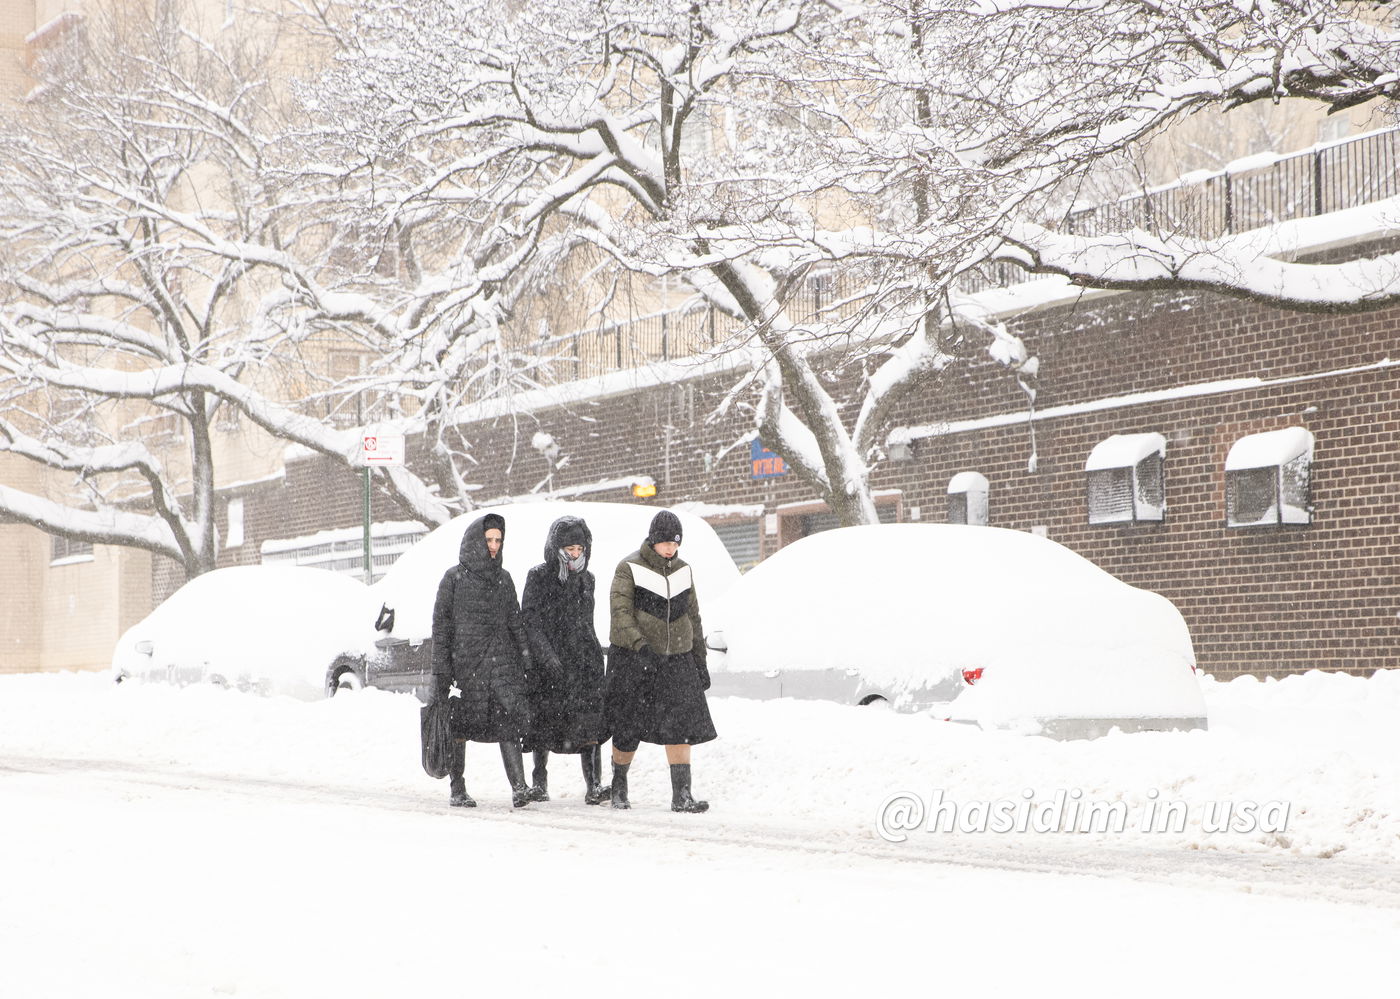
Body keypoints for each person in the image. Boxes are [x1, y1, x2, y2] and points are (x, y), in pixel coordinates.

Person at [604, 509, 715, 813]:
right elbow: (621, 613)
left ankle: (682, 794)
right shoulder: (629, 568)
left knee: (680, 726)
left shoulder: (683, 570)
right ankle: (618, 786)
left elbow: (693, 617)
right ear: (653, 541)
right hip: (636, 657)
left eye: (676, 544)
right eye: (666, 543)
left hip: (677, 659)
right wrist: (639, 645)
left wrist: (699, 659)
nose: (671, 549)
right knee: (629, 725)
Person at [431, 513, 534, 809]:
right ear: (476, 540)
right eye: (489, 539)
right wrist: (442, 670)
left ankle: (519, 787)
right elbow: (442, 627)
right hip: (464, 669)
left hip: (501, 667)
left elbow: (516, 622)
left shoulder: (504, 578)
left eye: (498, 540)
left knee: (508, 722)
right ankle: (457, 788)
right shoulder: (453, 578)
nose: (493, 545)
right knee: (459, 728)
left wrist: (526, 659)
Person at [520, 515, 611, 805]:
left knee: (589, 725)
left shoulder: (587, 579)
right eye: (570, 549)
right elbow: (530, 621)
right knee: (544, 724)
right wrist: (545, 656)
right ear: (557, 547)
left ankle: (594, 786)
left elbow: (587, 621)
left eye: (580, 549)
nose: (575, 554)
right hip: (549, 665)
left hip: (583, 663)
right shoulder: (538, 576)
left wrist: (594, 656)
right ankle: (539, 783)